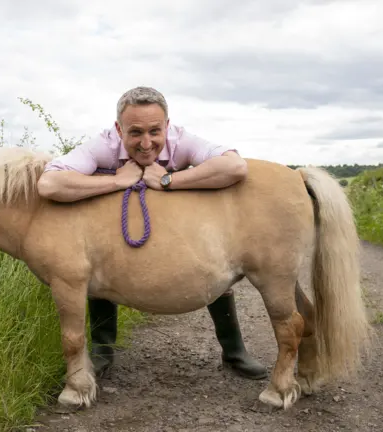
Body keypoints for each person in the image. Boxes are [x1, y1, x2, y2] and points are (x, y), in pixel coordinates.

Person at [36, 86, 267, 380]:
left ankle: (235, 352)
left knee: (216, 267)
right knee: (99, 275)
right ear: (119, 130)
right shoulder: (103, 145)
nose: (146, 143)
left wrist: (170, 179)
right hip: (115, 225)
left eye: (155, 131)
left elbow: (235, 166)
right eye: (135, 133)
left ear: (167, 127)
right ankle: (102, 351)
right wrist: (117, 181)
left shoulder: (182, 140)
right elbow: (49, 184)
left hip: (176, 218)